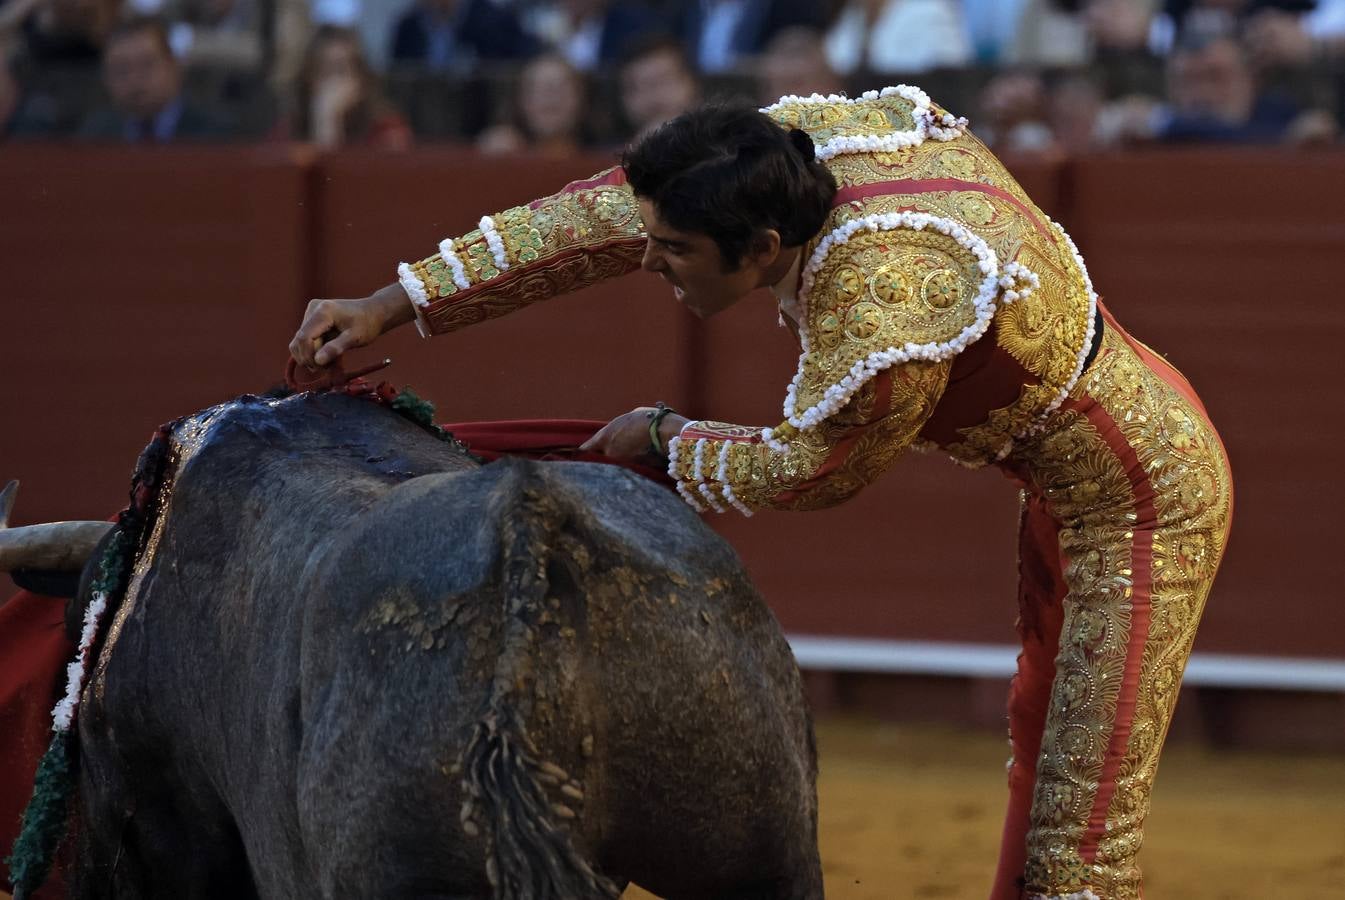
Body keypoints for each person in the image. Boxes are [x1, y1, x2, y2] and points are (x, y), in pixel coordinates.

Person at [288, 87, 1233, 900]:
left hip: (1141, 503)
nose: (650, 261)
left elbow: (815, 470)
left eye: (674, 251)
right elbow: (594, 220)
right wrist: (390, 303)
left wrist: (669, 439)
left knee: (1078, 831)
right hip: (1063, 477)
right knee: (1039, 733)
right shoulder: (781, 156)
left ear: (764, 248)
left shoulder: (890, 302)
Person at [77, 15, 234, 142]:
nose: (135, 80)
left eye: (147, 65)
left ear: (174, 66)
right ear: (106, 78)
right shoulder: (95, 136)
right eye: (121, 70)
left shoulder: (217, 135)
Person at [277, 24, 411, 150]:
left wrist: (328, 120)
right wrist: (322, 118)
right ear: (308, 78)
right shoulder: (290, 127)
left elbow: (337, 175)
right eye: (323, 70)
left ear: (360, 76)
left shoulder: (387, 129)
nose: (332, 83)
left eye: (340, 70)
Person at [475, 51, 589, 156]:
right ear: (521, 100)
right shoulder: (500, 153)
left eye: (561, 88)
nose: (550, 97)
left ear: (581, 99)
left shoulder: (603, 164)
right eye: (539, 89)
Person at [615, 33, 699, 141]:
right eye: (637, 87)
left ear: (692, 82)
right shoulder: (602, 154)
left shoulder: (724, 150)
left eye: (663, 81)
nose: (652, 96)